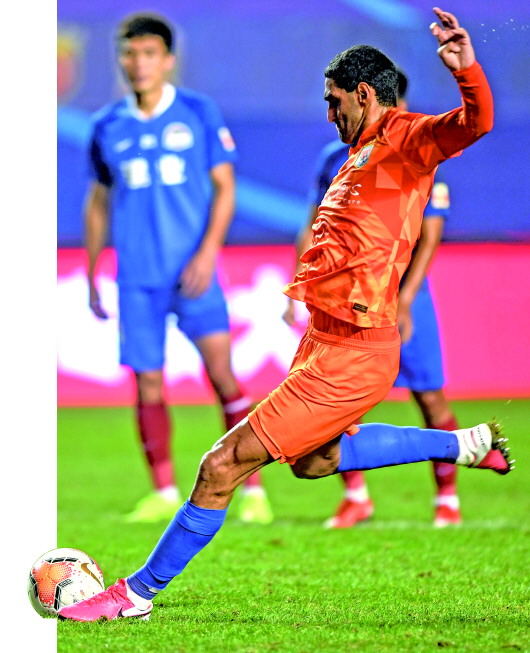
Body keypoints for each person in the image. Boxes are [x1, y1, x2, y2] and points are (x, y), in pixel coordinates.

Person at [60, 8, 513, 622]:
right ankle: (460, 444)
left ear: (364, 94)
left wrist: (466, 71)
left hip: (357, 349)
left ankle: (134, 595)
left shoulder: (409, 138)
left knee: (220, 466)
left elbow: (476, 122)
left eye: (334, 102)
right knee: (313, 462)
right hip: (325, 340)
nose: (329, 114)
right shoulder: (353, 153)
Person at [84, 13, 273, 525]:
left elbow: (225, 187)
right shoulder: (107, 125)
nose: (138, 63)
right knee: (147, 384)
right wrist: (93, 269)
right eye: (129, 53)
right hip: (137, 277)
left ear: (167, 60)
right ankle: (163, 492)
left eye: (148, 53)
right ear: (121, 59)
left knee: (222, 374)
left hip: (193, 274)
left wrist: (208, 252)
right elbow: (99, 201)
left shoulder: (197, 112)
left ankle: (252, 491)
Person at [283, 70, 462, 529]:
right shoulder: (335, 158)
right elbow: (313, 225)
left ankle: (447, 499)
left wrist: (407, 299)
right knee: (338, 408)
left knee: (430, 397)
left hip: (400, 296)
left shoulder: (418, 153)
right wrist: (297, 288)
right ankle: (356, 497)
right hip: (346, 303)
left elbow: (430, 234)